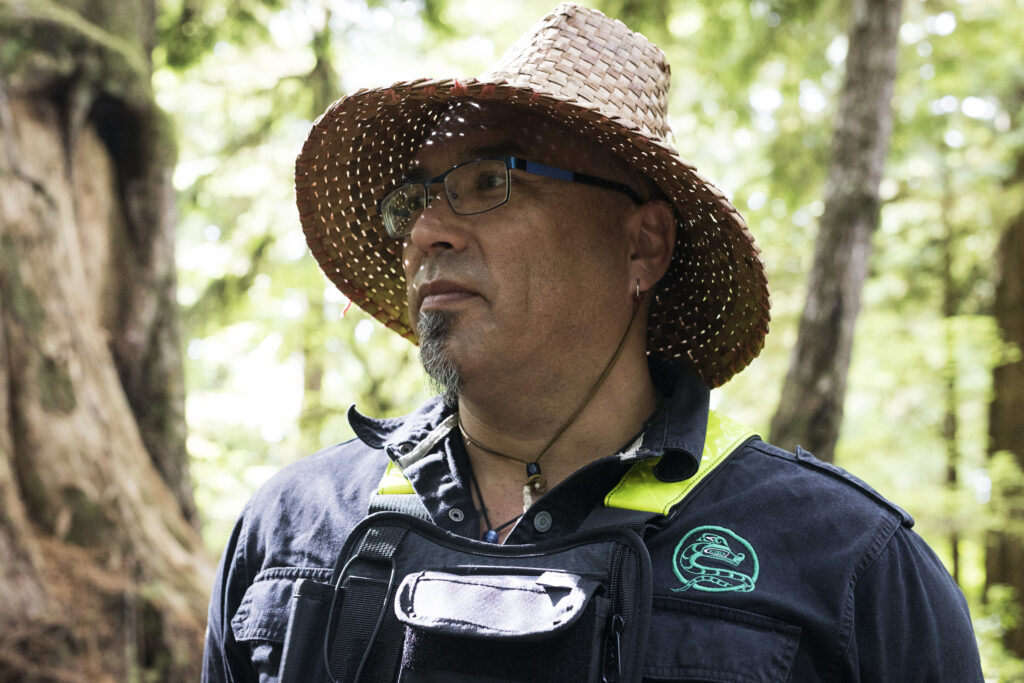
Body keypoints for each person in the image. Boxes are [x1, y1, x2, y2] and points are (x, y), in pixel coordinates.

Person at [203, 4, 984, 681]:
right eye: (415, 199)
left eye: (488, 182)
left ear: (642, 246)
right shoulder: (293, 530)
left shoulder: (849, 567)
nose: (427, 232)